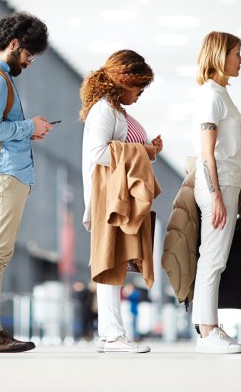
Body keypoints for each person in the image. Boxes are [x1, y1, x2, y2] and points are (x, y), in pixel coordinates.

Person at [0, 11, 51, 353]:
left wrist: (27, 132)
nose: (30, 62)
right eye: (29, 54)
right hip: (2, 176)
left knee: (0, 254)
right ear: (15, 44)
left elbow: (0, 130)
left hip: (8, 174)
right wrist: (29, 127)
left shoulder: (2, 78)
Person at [80, 49, 162, 353]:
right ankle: (113, 335)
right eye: (138, 87)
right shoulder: (104, 111)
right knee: (109, 261)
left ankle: (110, 334)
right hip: (108, 196)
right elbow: (98, 153)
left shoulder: (116, 111)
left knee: (113, 261)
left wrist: (147, 151)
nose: (140, 94)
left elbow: (120, 151)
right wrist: (143, 153)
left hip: (117, 194)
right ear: (124, 82)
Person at [191, 31, 241, 354]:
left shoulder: (221, 95)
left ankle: (210, 327)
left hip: (227, 184)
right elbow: (206, 152)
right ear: (219, 55)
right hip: (219, 184)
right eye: (237, 53)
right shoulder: (211, 95)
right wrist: (215, 196)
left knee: (216, 258)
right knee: (212, 259)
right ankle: (207, 332)